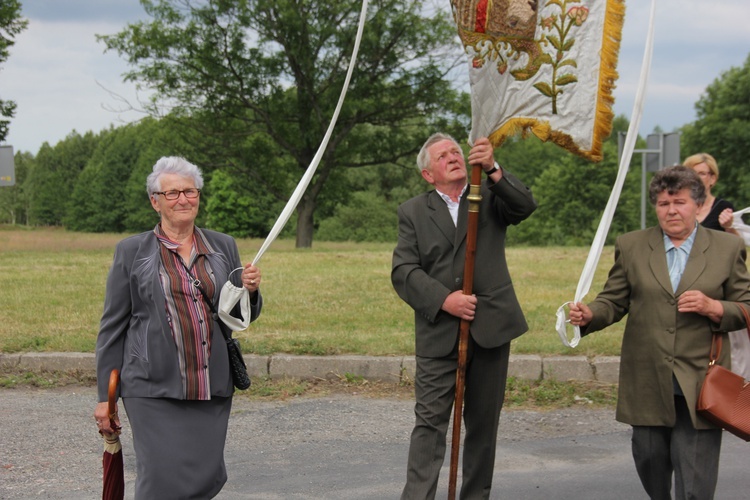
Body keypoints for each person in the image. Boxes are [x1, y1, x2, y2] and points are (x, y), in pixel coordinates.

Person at [568, 166, 750, 500]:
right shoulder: (632, 246)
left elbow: (746, 306)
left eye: (679, 202)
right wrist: (590, 314)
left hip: (701, 379)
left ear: (697, 205)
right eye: (663, 204)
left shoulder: (727, 249)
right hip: (648, 374)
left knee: (695, 477)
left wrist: (714, 307)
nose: (671, 211)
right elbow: (614, 300)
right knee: (649, 457)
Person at [93, 156, 263, 499]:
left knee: (206, 478)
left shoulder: (223, 245)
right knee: (160, 479)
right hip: (151, 386)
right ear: (155, 201)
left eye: (189, 191)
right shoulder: (131, 251)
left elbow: (238, 316)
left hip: (210, 383)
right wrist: (104, 398)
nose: (183, 199)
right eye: (172, 194)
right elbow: (113, 326)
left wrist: (251, 290)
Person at [392, 133, 537, 499]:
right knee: (428, 426)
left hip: (491, 329)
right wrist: (445, 300)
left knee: (483, 427)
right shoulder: (412, 212)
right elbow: (403, 271)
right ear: (428, 175)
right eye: (442, 156)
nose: (453, 157)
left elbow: (524, 206)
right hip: (439, 334)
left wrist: (492, 168)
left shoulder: (490, 195)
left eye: (456, 151)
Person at [683, 153, 750, 379]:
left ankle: (725, 386)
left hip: (716, 281)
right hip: (685, 277)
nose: (697, 178)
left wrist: (730, 227)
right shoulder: (681, 207)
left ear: (712, 178)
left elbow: (738, 249)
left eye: (702, 173)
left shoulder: (723, 208)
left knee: (727, 342)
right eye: (692, 173)